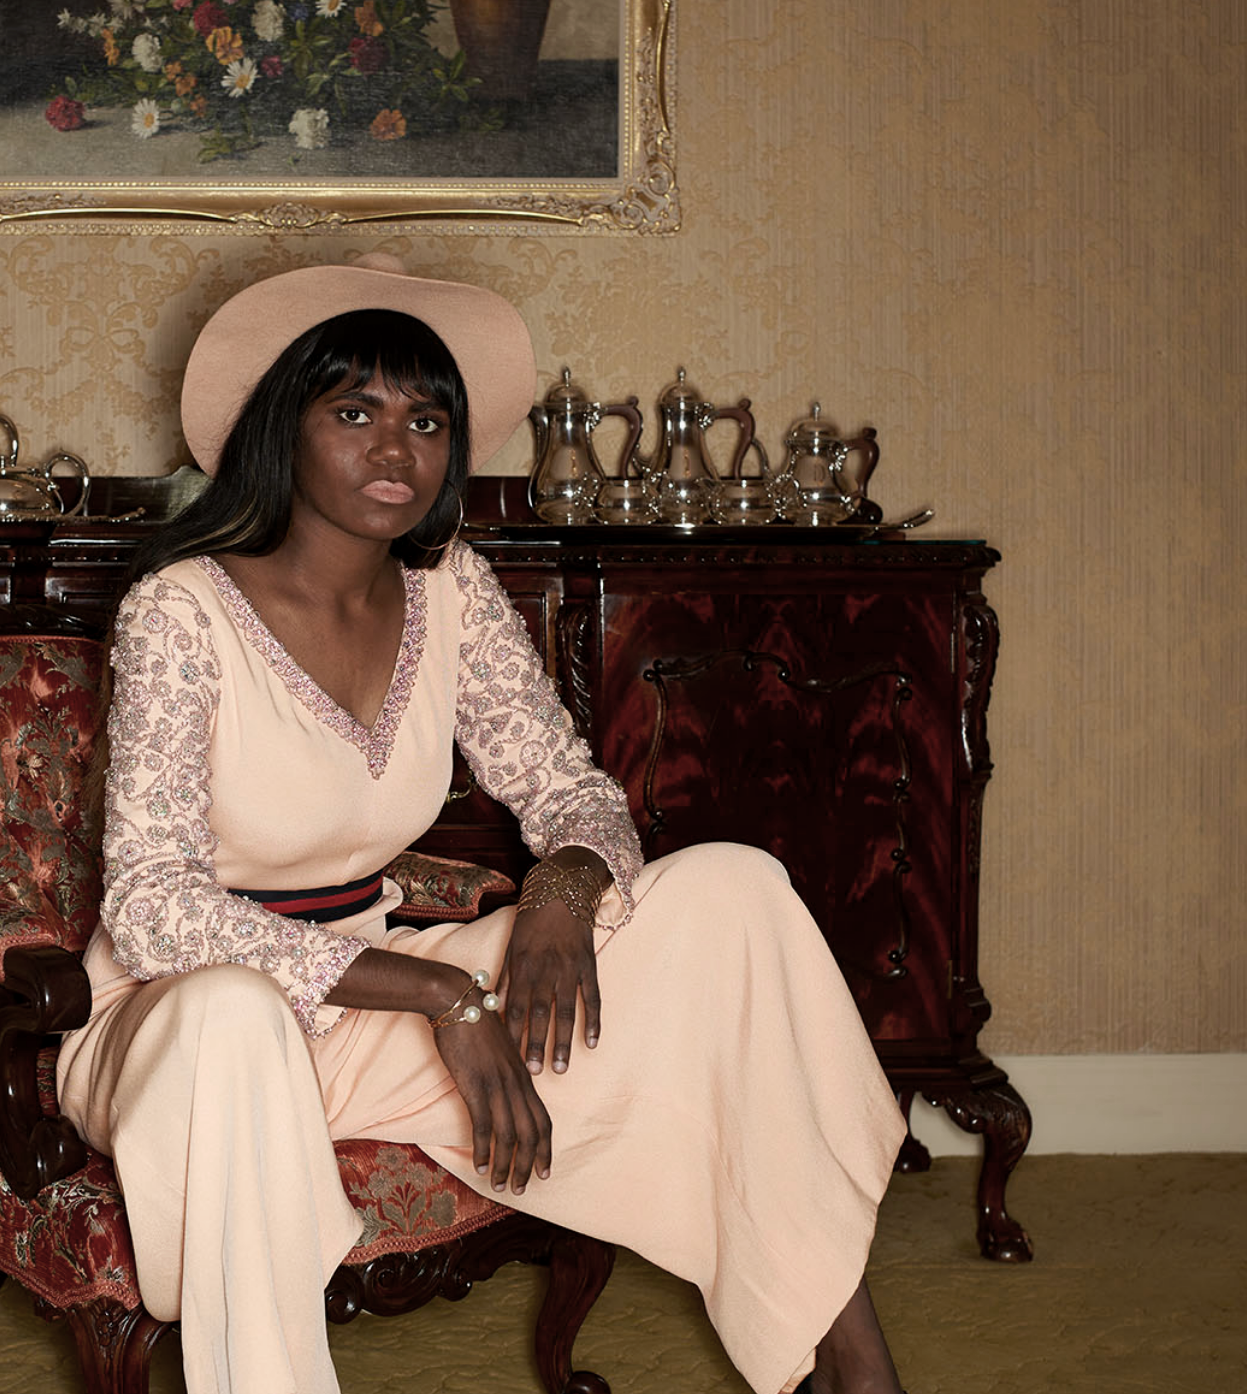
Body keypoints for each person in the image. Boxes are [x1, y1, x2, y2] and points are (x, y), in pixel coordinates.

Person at [52, 254, 909, 1394]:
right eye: (352, 410)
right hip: (175, 1028)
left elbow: (573, 791)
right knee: (230, 1017)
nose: (394, 449)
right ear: (281, 428)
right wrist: (441, 996)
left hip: (365, 1019)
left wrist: (558, 895)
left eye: (426, 418)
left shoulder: (447, 585)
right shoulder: (181, 609)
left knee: (732, 891)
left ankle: (845, 1361)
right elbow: (153, 906)